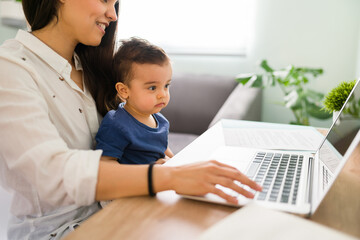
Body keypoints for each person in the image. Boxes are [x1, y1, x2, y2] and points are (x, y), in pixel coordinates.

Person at [0, 0, 262, 239]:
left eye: (115, 4)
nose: (113, 15)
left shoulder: (91, 66)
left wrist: (171, 168)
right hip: (56, 233)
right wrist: (168, 176)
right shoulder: (10, 67)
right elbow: (50, 171)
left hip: (117, 210)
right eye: (104, 0)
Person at [96, 37, 174, 165]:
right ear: (124, 90)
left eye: (166, 85)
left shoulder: (161, 121)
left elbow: (164, 149)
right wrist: (150, 172)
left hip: (161, 180)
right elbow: (105, 164)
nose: (162, 94)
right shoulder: (117, 124)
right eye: (152, 87)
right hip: (136, 183)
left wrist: (177, 163)